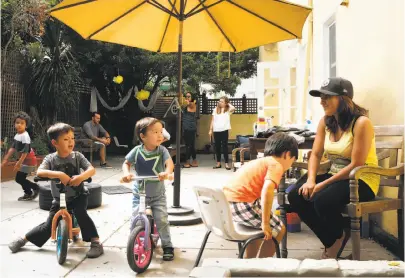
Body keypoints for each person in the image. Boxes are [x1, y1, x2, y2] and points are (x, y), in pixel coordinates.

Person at [287, 77, 379, 259]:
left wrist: (321, 185)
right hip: (337, 176)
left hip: (361, 180)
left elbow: (356, 164)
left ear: (344, 99)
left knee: (322, 200)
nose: (322, 101)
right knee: (295, 194)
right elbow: (316, 154)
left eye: (327, 97)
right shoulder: (326, 122)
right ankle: (334, 238)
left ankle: (335, 239)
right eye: (321, 97)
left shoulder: (361, 123)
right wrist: (312, 180)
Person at [8, 123, 104, 258]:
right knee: (49, 225)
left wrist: (81, 177)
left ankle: (96, 242)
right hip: (59, 198)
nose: (71, 142)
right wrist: (58, 174)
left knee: (81, 214)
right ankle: (24, 239)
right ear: (55, 143)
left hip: (78, 196)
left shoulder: (78, 156)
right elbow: (40, 172)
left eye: (72, 138)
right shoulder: (50, 158)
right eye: (66, 139)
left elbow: (91, 169)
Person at [223, 133, 297, 258]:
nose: (290, 166)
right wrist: (266, 222)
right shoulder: (276, 165)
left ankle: (249, 262)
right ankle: (261, 265)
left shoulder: (258, 162)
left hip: (225, 204)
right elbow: (267, 189)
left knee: (258, 229)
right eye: (292, 161)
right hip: (241, 203)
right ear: (287, 154)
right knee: (279, 229)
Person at [121, 117, 175, 261]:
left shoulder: (162, 150)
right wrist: (126, 174)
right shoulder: (137, 151)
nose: (160, 135)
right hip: (140, 193)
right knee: (136, 219)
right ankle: (135, 241)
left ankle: (167, 245)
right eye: (155, 132)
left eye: (161, 132)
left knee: (162, 220)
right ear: (142, 136)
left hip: (157, 194)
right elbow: (126, 163)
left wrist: (167, 173)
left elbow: (169, 164)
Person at [1, 111, 39, 201]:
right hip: (25, 161)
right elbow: (13, 148)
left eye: (22, 123)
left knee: (19, 178)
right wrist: (5, 160)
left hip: (29, 161)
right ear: (14, 124)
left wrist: (19, 163)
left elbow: (25, 152)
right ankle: (31, 191)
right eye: (17, 122)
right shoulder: (18, 135)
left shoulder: (25, 136)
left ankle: (33, 189)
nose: (19, 125)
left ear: (26, 125)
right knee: (20, 178)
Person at [209, 96, 235, 170]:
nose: (219, 102)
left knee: (225, 147)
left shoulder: (228, 110)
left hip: (224, 130)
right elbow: (212, 120)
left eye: (222, 101)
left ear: (225, 103)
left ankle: (226, 164)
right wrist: (210, 130)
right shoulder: (215, 110)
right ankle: (218, 163)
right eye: (219, 101)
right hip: (216, 131)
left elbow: (233, 108)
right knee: (217, 147)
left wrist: (228, 104)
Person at [182, 92, 198, 168]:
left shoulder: (192, 105)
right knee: (191, 145)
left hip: (190, 128)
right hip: (186, 127)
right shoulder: (186, 105)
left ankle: (187, 162)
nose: (187, 98)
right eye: (186, 96)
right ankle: (194, 161)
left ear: (192, 98)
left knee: (188, 145)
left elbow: (188, 104)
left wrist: (186, 102)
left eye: (189, 96)